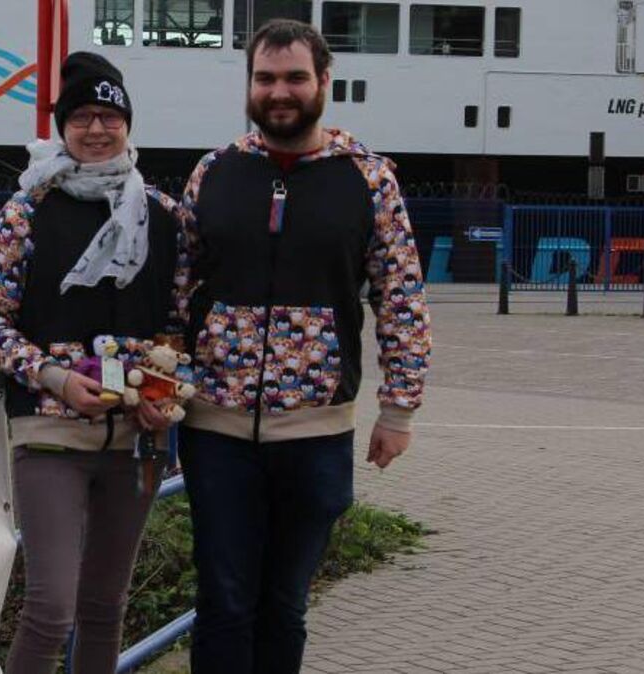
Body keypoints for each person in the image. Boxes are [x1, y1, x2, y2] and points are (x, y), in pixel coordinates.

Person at [172, 19, 432, 673]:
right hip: (216, 430)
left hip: (316, 433)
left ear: (323, 82)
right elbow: (176, 291)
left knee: (284, 604)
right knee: (223, 600)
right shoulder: (214, 173)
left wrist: (398, 410)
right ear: (249, 85)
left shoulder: (368, 181)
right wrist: (159, 383)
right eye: (265, 79)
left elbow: (400, 297)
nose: (279, 92)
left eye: (294, 77)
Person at [0, 52, 183, 674]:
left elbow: (179, 323)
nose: (96, 129)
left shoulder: (164, 216)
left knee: (105, 607)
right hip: (50, 435)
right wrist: (55, 377)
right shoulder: (28, 210)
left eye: (109, 117)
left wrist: (165, 392)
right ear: (62, 126)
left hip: (136, 440)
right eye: (82, 116)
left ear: (128, 124)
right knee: (51, 609)